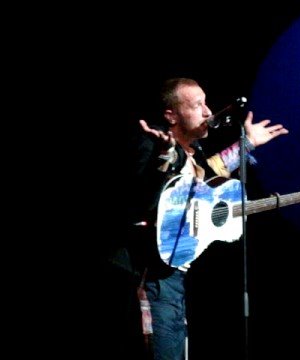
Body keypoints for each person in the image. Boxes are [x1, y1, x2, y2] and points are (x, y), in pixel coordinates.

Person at [108, 77, 288, 359]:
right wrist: (164, 158)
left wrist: (249, 142)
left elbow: (207, 174)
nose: (207, 112)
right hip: (145, 273)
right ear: (172, 116)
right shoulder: (152, 142)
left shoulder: (194, 153)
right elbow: (140, 201)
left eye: (206, 103)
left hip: (171, 276)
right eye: (196, 106)